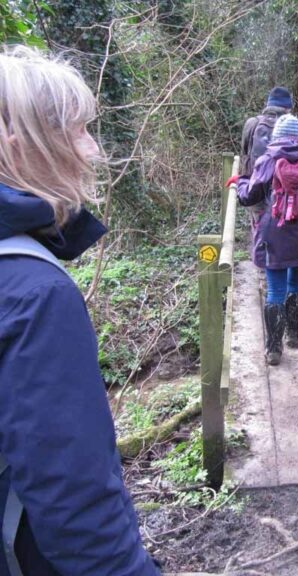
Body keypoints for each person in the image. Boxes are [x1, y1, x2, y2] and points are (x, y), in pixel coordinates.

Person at [0, 46, 159, 576]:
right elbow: (74, 501)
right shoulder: (35, 292)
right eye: (78, 131)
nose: (93, 150)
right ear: (21, 143)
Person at [238, 114, 298, 365]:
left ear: (276, 136)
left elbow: (248, 197)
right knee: (296, 284)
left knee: (275, 291)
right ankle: (293, 335)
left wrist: (241, 181)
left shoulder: (265, 162)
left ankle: (273, 349)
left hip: (274, 236)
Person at [238, 86, 293, 180]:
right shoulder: (293, 126)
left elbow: (244, 153)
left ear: (268, 105)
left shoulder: (252, 123)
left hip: (254, 181)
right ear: (288, 109)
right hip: (283, 185)